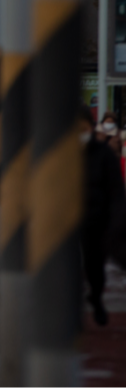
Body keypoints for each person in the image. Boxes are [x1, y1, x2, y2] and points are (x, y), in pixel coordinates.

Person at [80, 105, 126, 326]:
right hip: (70, 223)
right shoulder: (59, 158)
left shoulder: (103, 154)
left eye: (84, 128)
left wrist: (116, 220)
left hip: (98, 220)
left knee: (95, 266)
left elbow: (116, 190)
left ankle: (96, 298)